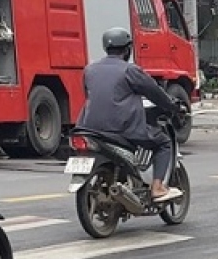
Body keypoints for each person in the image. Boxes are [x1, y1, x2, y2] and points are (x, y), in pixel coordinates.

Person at [78, 27, 185, 203]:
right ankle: (157, 188)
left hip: (89, 128)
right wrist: (174, 106)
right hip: (122, 129)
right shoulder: (130, 70)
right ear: (127, 49)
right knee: (164, 143)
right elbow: (155, 93)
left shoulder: (89, 70)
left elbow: (91, 96)